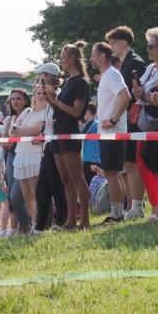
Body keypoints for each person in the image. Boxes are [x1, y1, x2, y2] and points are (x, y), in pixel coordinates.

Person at [46, 43, 92, 230]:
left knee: (77, 178)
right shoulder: (67, 82)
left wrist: (56, 101)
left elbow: (76, 112)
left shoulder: (81, 82)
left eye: (63, 57)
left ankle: (85, 220)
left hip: (70, 133)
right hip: (58, 133)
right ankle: (71, 220)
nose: (61, 61)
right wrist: (51, 101)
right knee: (66, 179)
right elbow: (62, 109)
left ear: (73, 58)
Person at [106, 26, 148, 220]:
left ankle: (137, 207)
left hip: (134, 118)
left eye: (113, 42)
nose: (111, 46)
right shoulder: (123, 64)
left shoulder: (135, 62)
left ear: (124, 41)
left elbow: (134, 95)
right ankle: (132, 207)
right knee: (127, 165)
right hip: (125, 120)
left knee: (133, 164)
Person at [133, 28, 158, 222]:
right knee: (142, 164)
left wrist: (145, 96)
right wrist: (139, 92)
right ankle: (155, 205)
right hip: (145, 123)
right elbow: (142, 92)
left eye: (151, 46)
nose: (148, 50)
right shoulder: (150, 68)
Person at [92, 42, 132, 225]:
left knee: (112, 173)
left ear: (102, 56)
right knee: (113, 173)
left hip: (113, 132)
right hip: (108, 132)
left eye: (93, 54)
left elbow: (126, 96)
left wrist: (113, 119)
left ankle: (117, 214)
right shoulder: (108, 76)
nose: (91, 58)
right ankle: (118, 212)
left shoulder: (112, 75)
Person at [11, 83, 50, 231]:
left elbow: (36, 129)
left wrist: (19, 129)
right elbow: (11, 131)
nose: (40, 96)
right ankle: (34, 221)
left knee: (35, 192)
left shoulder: (46, 112)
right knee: (26, 194)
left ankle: (38, 223)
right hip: (21, 154)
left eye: (43, 93)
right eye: (38, 93)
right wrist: (21, 130)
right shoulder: (27, 111)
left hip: (35, 154)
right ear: (34, 96)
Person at [33, 64, 66, 232]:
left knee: (56, 186)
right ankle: (41, 226)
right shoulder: (49, 96)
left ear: (50, 76)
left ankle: (61, 222)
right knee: (42, 188)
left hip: (56, 145)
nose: (40, 80)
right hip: (49, 144)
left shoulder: (58, 94)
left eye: (43, 76)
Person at [1, 89, 31, 235]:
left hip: (25, 155)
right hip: (11, 156)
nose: (15, 101)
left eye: (18, 98)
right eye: (12, 99)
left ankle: (27, 225)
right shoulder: (10, 118)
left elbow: (11, 139)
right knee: (12, 197)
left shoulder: (29, 115)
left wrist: (12, 139)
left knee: (17, 195)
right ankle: (22, 227)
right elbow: (4, 142)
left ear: (25, 100)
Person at [80, 103, 100, 187]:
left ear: (87, 112)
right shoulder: (96, 123)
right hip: (94, 158)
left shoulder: (92, 123)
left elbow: (81, 135)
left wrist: (78, 124)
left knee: (89, 184)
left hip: (91, 159)